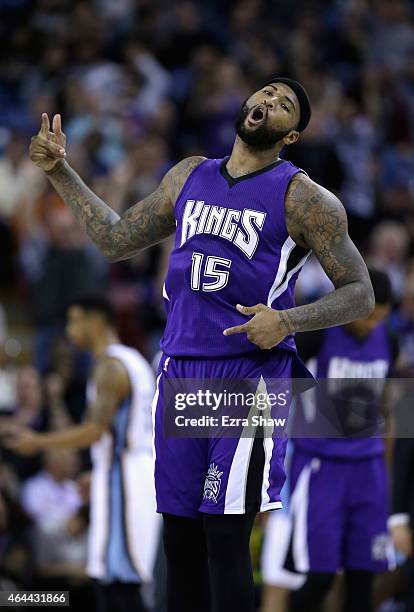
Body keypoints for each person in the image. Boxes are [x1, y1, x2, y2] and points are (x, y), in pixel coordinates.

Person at [28, 76, 374, 612]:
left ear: (292, 136)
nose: (269, 102)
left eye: (285, 106)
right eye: (266, 93)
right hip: (182, 373)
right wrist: (59, 171)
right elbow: (115, 240)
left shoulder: (305, 198)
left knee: (224, 537)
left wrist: (287, 320)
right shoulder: (189, 175)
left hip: (248, 379)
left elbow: (360, 292)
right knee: (180, 540)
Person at [3, 295, 160, 612]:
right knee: (112, 576)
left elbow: (94, 430)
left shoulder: (112, 366)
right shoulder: (128, 360)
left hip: (127, 478)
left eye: (75, 321)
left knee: (122, 580)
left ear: (96, 321)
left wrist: (37, 441)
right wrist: (99, 470)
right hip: (124, 470)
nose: (70, 330)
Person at [261, 269, 397, 612]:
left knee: (363, 577)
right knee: (319, 578)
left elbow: (388, 404)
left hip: (368, 467)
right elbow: (277, 380)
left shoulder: (388, 340)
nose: (371, 325)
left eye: (380, 319)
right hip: (322, 467)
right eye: (368, 316)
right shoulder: (319, 335)